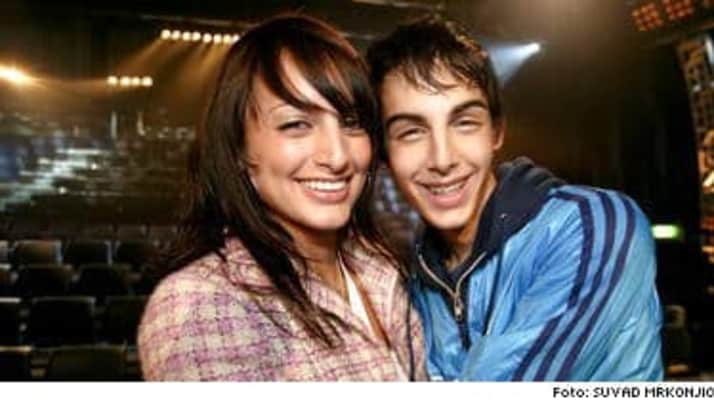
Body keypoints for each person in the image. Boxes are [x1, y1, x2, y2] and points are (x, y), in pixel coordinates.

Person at [366, 16, 663, 381]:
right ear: (385, 155)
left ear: (497, 132)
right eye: (411, 132)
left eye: (465, 123)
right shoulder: (415, 279)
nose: (442, 159)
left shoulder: (595, 224)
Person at [138, 14, 424, 381]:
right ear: (239, 150)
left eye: (352, 123)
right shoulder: (203, 303)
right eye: (296, 124)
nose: (337, 156)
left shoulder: (380, 268)